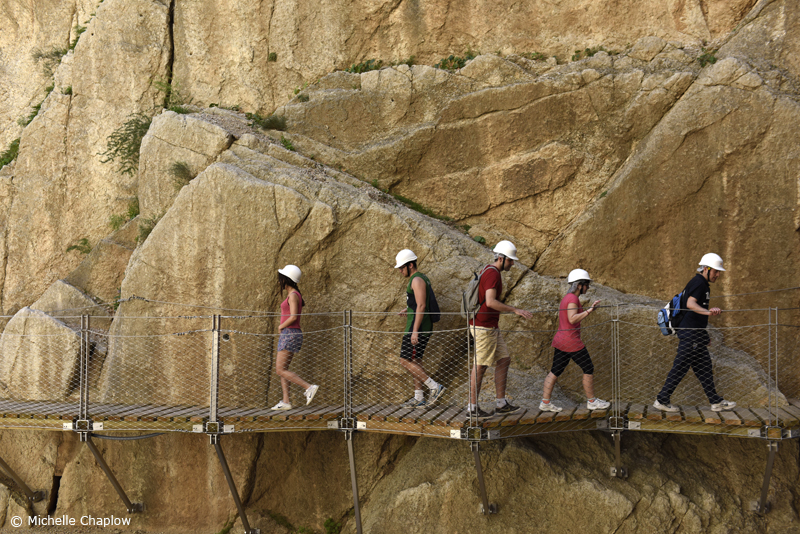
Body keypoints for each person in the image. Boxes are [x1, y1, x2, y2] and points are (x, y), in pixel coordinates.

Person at [654, 253, 736, 413]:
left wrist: (704, 336)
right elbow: (691, 304)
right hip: (690, 335)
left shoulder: (701, 284)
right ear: (706, 269)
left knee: (704, 368)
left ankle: (715, 401)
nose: (718, 275)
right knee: (680, 368)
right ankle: (661, 399)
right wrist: (709, 313)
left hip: (695, 335)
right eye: (716, 271)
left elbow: (693, 314)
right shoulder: (699, 283)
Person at [467, 240, 533, 419]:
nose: (512, 264)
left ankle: (501, 403)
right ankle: (472, 408)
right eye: (511, 260)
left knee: (504, 360)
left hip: (489, 326)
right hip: (484, 327)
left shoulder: (489, 270)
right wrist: (515, 310)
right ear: (501, 258)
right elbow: (490, 302)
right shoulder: (493, 274)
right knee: (480, 366)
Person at [540, 269, 610, 412]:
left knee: (555, 371)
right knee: (588, 367)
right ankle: (592, 401)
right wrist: (589, 310)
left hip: (560, 340)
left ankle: (545, 402)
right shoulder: (573, 299)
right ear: (579, 285)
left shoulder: (567, 298)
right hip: (571, 341)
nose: (588, 287)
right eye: (586, 284)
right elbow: (572, 319)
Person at [394, 249, 446, 407]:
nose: (401, 271)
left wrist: (415, 330)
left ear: (410, 265)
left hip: (418, 327)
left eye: (402, 268)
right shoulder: (421, 278)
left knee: (404, 360)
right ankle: (419, 397)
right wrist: (408, 308)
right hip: (420, 326)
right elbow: (418, 303)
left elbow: (422, 305)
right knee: (415, 360)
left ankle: (434, 387)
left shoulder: (416, 280)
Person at [271, 265, 319, 410]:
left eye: (281, 279)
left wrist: (280, 326)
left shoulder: (293, 296)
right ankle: (286, 401)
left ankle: (309, 387)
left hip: (290, 333)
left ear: (287, 279)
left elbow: (293, 317)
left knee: (280, 370)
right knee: (283, 368)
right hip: (290, 333)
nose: (279, 282)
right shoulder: (294, 294)